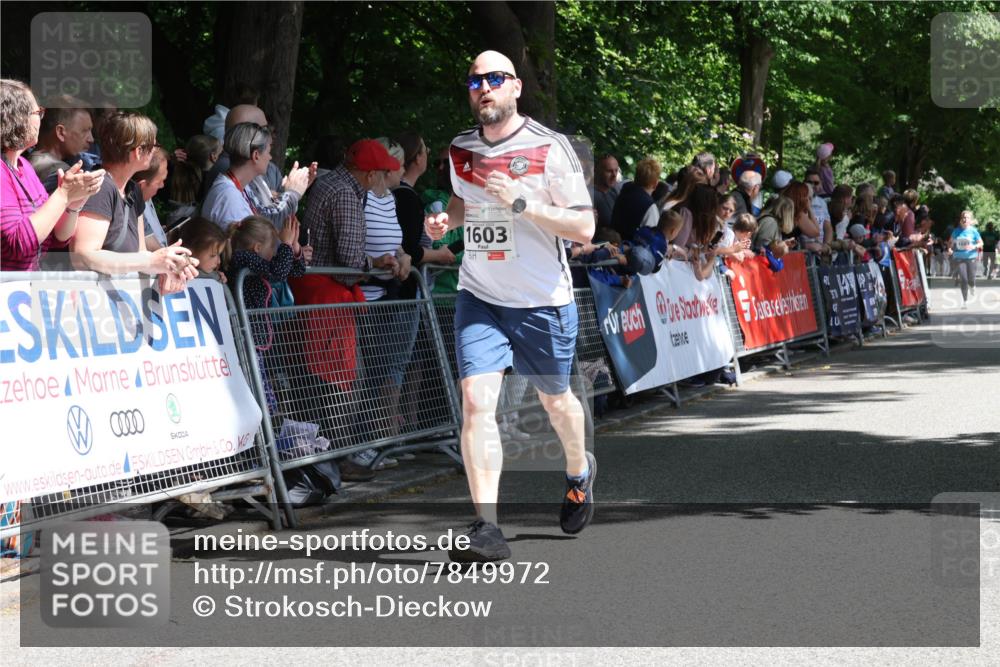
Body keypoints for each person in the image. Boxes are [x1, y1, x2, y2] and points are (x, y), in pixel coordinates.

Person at [425, 50, 596, 562]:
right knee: (478, 403)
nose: (484, 88)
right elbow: (462, 204)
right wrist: (445, 223)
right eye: (475, 80)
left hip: (541, 299)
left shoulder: (550, 148)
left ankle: (578, 470)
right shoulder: (460, 149)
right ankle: (486, 527)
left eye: (495, 79)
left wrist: (522, 201)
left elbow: (584, 228)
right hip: (480, 293)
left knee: (555, 403)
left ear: (515, 87)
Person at [71, 111, 196, 285]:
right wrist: (152, 261)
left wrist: (169, 267)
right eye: (154, 145)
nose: (155, 150)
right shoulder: (100, 188)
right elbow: (83, 255)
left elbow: (140, 255)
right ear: (138, 152)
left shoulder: (133, 191)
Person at [1, 79, 104, 271]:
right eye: (37, 112)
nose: (41, 118)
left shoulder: (24, 166)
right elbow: (19, 244)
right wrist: (63, 194)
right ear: (15, 117)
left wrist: (73, 204)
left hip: (22, 293)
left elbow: (57, 239)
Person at [201, 122, 310, 230]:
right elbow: (256, 238)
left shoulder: (237, 186)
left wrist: (290, 193)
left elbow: (265, 216)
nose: (270, 157)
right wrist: (292, 194)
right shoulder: (230, 198)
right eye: (268, 152)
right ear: (256, 155)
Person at [28, 96, 95, 193]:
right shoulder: (59, 175)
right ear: (60, 132)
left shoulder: (25, 163)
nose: (91, 139)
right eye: (84, 131)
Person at [611, 156, 659, 240]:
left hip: (611, 243)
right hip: (628, 250)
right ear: (655, 184)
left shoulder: (624, 190)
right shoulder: (650, 207)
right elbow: (650, 241)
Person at [169, 216, 228, 282]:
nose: (219, 261)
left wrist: (216, 279)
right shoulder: (169, 274)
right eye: (213, 255)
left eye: (219, 254)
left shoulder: (215, 277)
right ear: (189, 251)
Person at [132, 147, 170, 249]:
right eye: (159, 182)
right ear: (142, 185)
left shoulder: (141, 201)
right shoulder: (133, 209)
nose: (162, 185)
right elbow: (154, 251)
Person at [949, 210, 983, 307]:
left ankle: (972, 286)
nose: (965, 219)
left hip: (971, 257)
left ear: (970, 220)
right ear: (961, 219)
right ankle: (965, 301)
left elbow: (981, 243)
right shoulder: (956, 231)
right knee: (963, 279)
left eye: (967, 217)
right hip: (959, 258)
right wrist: (949, 249)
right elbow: (950, 243)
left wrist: (974, 246)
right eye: (963, 217)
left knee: (971, 278)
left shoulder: (973, 231)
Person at [592, 153, 620, 229]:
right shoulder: (589, 197)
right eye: (609, 171)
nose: (614, 175)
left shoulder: (615, 192)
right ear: (597, 171)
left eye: (616, 170)